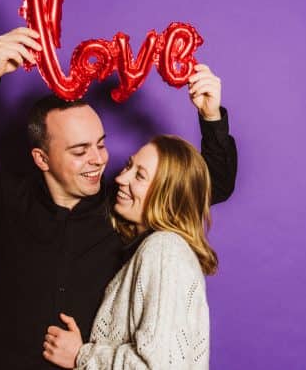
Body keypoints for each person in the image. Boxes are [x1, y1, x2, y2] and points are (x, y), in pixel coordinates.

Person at [0, 27, 237, 369]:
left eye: (100, 144)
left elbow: (212, 184)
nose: (99, 159)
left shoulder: (124, 205)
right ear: (42, 159)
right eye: (80, 151)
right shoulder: (4, 199)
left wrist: (210, 116)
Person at [42, 135, 217, 369]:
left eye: (139, 176)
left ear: (168, 196)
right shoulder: (151, 248)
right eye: (128, 166)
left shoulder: (165, 250)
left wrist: (81, 355)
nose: (120, 178)